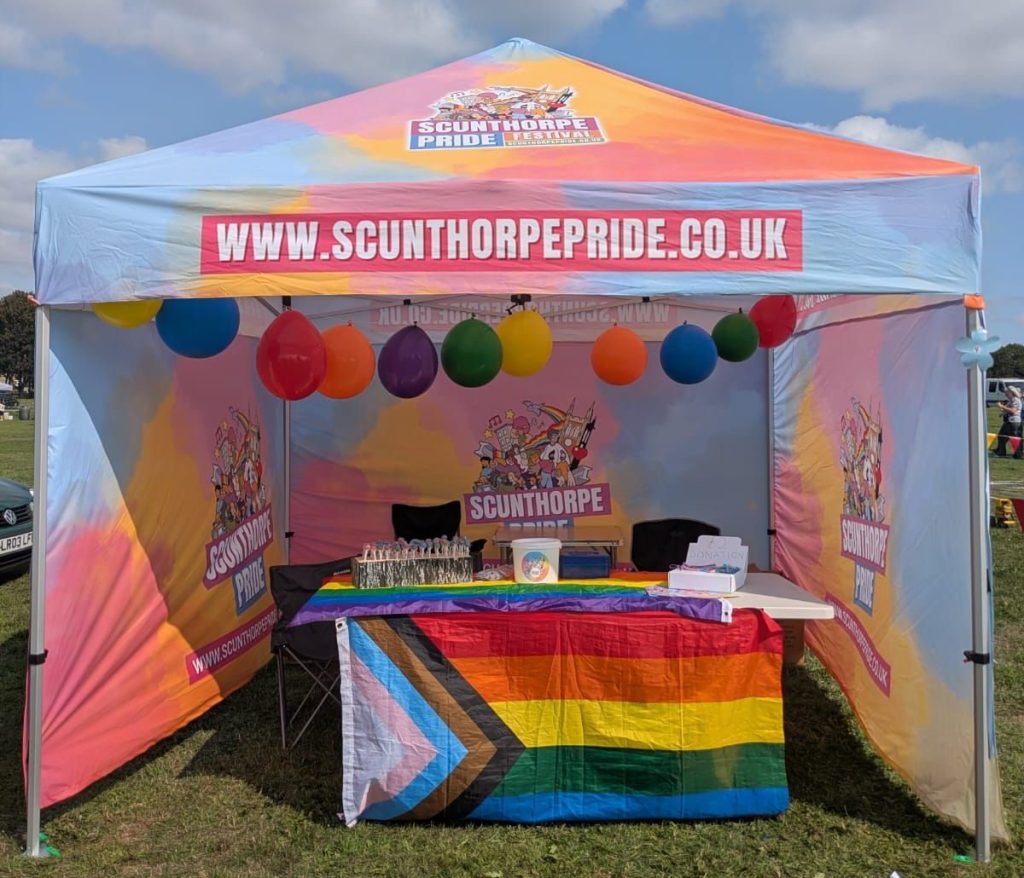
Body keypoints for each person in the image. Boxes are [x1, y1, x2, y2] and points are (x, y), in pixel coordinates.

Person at [993, 386, 1023, 458]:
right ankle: (1001, 453)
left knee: (1014, 439)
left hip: (1014, 422)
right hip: (1008, 422)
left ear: (1011, 392)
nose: (1005, 394)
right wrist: (1003, 411)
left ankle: (1018, 455)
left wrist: (1002, 406)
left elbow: (1013, 411)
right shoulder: (1011, 400)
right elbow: (1007, 410)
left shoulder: (1016, 400)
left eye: (1007, 392)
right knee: (1001, 437)